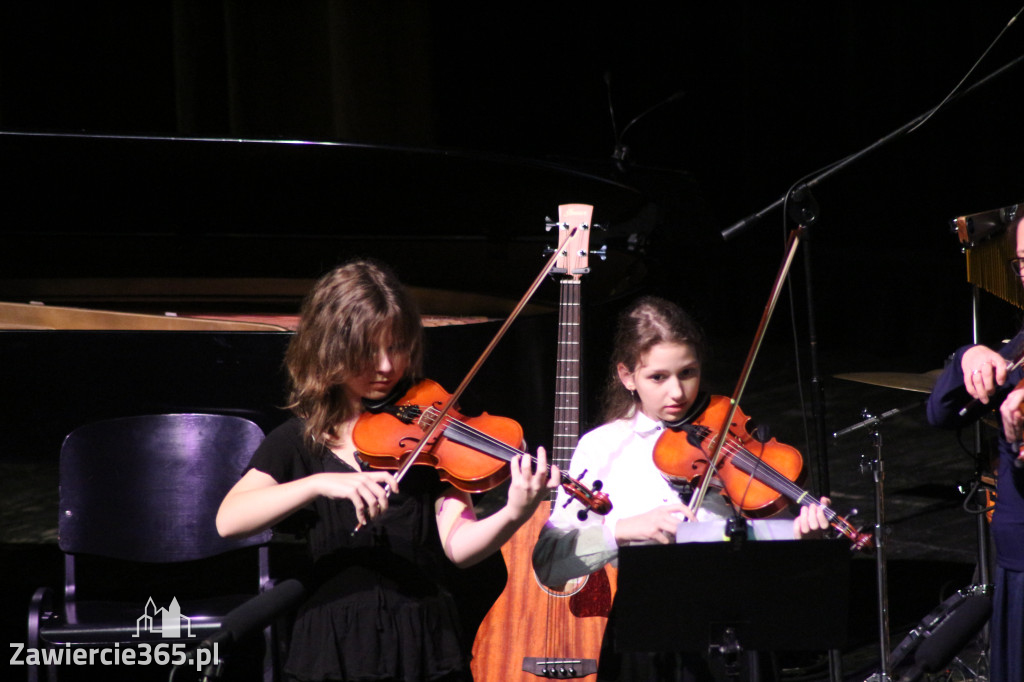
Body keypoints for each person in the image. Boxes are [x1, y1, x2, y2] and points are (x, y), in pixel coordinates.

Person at [216, 259, 558, 682]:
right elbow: (229, 520)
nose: (385, 366)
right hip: (332, 646)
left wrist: (514, 513)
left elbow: (460, 548)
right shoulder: (299, 441)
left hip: (423, 643)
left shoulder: (431, 438)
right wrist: (320, 483)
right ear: (331, 349)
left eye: (396, 347)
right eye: (367, 351)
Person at [531, 295, 830, 681]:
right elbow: (550, 564)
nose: (677, 393)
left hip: (736, 633)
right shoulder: (603, 447)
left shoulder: (728, 436)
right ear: (627, 377)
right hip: (648, 640)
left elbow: (766, 547)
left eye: (687, 373)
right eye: (658, 377)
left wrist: (800, 537)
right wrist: (622, 530)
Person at [927, 214, 1024, 682]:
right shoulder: (1022, 345)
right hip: (1016, 561)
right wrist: (967, 357)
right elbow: (942, 413)